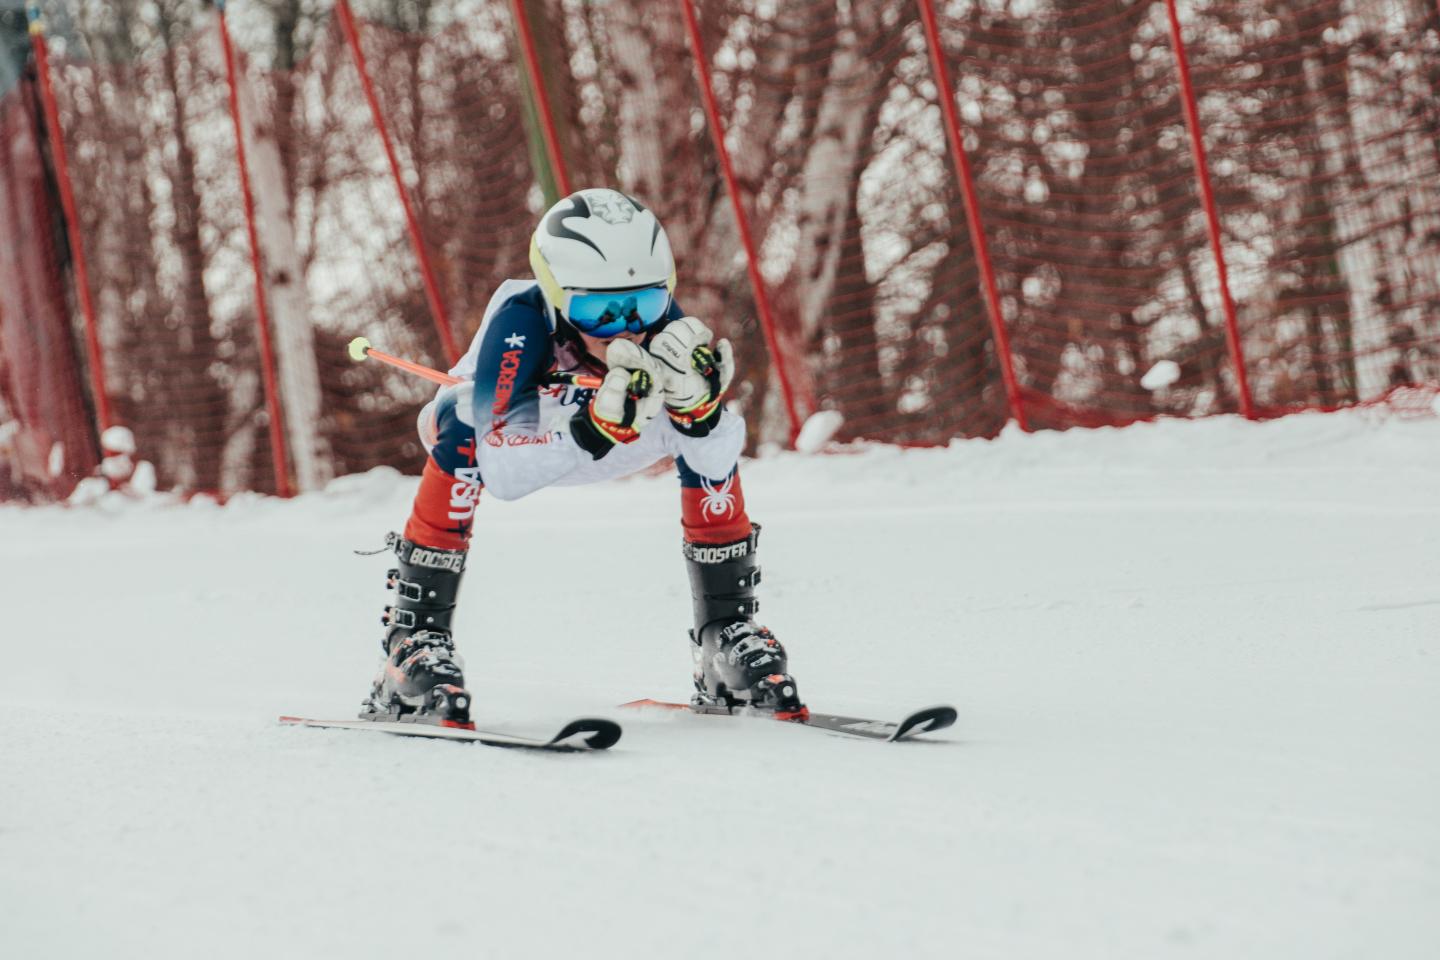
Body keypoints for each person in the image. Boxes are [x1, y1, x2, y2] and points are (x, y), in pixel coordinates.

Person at [362, 188, 805, 727]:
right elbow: (502, 473)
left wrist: (703, 415)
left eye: (642, 304)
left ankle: (724, 635)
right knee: (460, 415)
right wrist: (588, 429)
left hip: (616, 435)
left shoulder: (663, 322)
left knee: (696, 411)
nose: (626, 326)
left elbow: (716, 457)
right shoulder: (521, 321)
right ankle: (414, 642)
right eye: (599, 309)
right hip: (527, 440)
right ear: (556, 293)